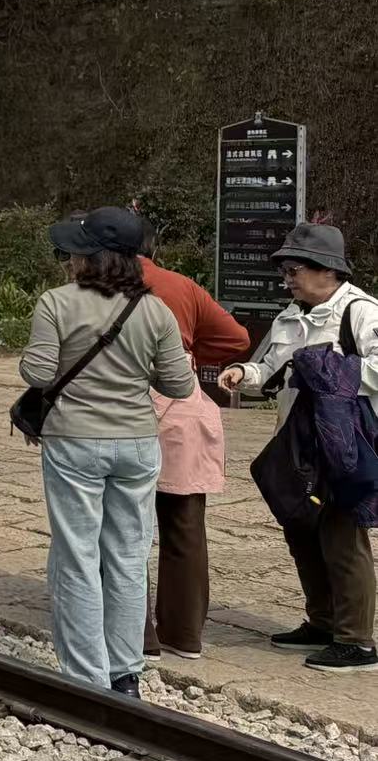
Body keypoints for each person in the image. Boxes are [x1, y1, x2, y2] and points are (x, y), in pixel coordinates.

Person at [25, 206, 197, 694]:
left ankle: (86, 677)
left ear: (89, 257)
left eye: (74, 251)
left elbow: (37, 373)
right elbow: (180, 385)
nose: (69, 259)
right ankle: (125, 673)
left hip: (73, 442)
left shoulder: (55, 303)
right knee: (128, 556)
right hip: (137, 443)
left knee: (77, 556)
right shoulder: (156, 310)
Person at [219, 222, 378, 672]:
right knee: (301, 530)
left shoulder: (362, 312)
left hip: (346, 445)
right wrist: (243, 374)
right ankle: (322, 622)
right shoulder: (289, 316)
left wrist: (330, 374)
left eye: (294, 269)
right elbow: (268, 369)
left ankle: (357, 641)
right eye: (285, 270)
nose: (287, 278)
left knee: (343, 537)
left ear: (327, 269)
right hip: (299, 444)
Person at [134, 217, 249, 661]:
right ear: (153, 247)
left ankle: (136, 635)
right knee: (184, 525)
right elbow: (236, 337)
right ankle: (183, 635)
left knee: (124, 527)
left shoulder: (98, 285)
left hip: (123, 406)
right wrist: (192, 351)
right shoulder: (181, 286)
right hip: (182, 403)